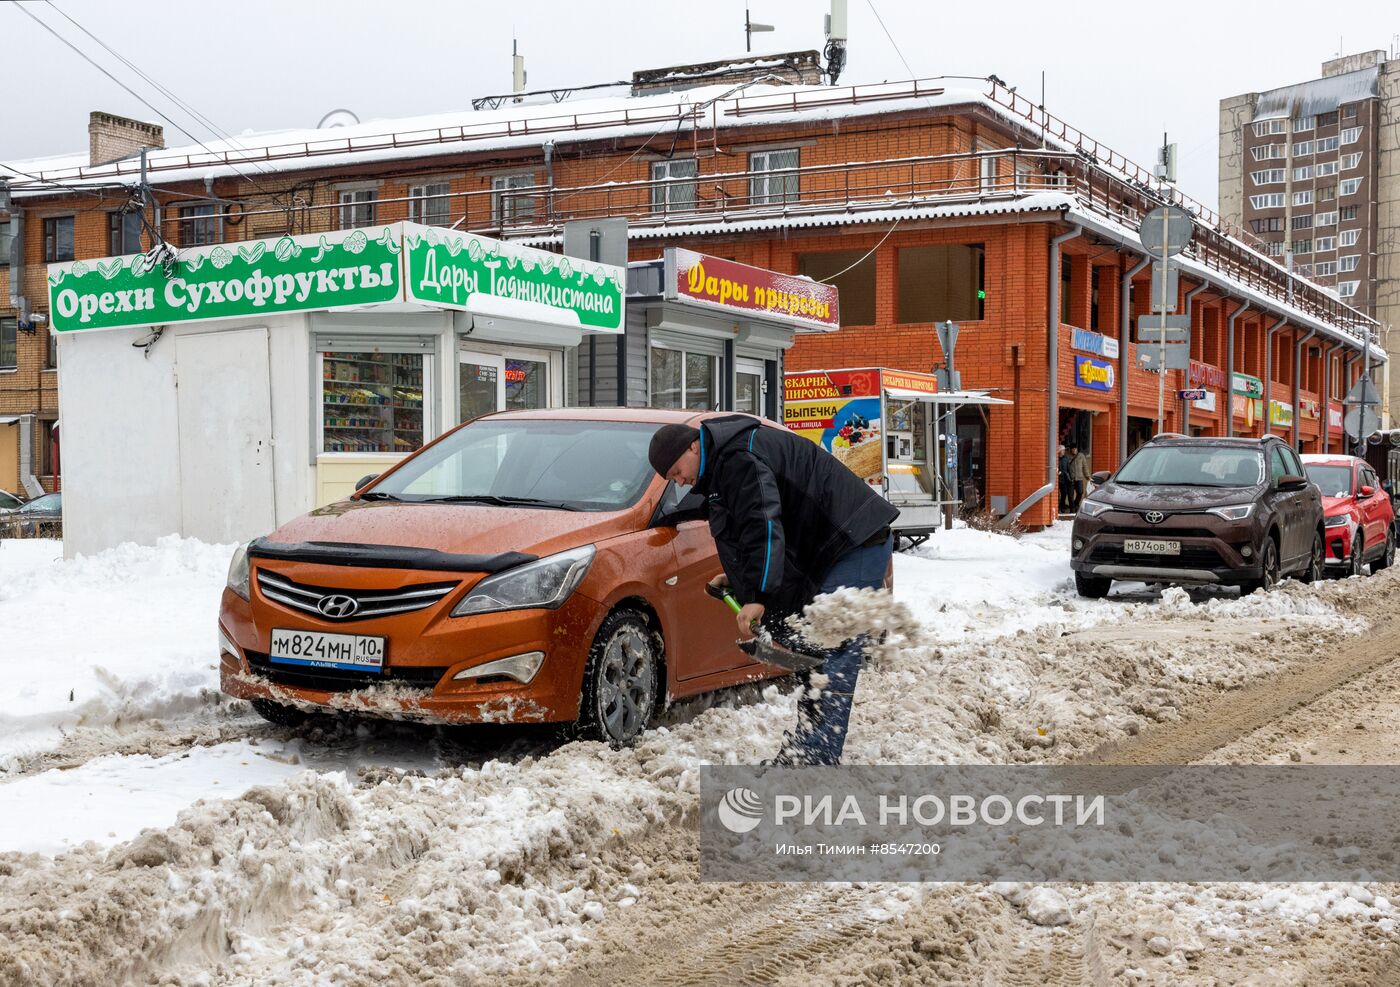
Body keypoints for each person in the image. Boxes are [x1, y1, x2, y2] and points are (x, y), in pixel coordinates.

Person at [647, 416, 898, 766]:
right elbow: (744, 531)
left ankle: (815, 758)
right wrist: (743, 582)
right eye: (671, 479)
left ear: (693, 446)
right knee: (816, 648)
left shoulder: (738, 458)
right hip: (830, 547)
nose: (679, 481)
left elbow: (762, 524)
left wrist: (757, 597)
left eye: (677, 470)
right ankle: (807, 750)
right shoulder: (723, 464)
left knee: (833, 647)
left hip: (854, 542)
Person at [1068, 444, 1092, 511]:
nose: (1074, 450)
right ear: (1071, 450)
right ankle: (1072, 508)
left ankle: (1076, 504)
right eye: (1073, 449)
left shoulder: (1081, 456)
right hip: (1071, 478)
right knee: (1070, 495)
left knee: (1080, 492)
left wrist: (1088, 476)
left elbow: (1085, 467)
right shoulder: (1068, 456)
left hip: (1079, 478)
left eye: (1075, 449)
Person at [1057, 444, 1072, 513]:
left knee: (1064, 494)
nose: (1064, 452)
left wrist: (1070, 477)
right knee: (1057, 495)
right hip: (1057, 479)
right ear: (1059, 451)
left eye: (1064, 450)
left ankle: (1062, 507)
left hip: (1064, 480)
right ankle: (1058, 507)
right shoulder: (1056, 459)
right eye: (1062, 450)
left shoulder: (1066, 459)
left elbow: (1069, 469)